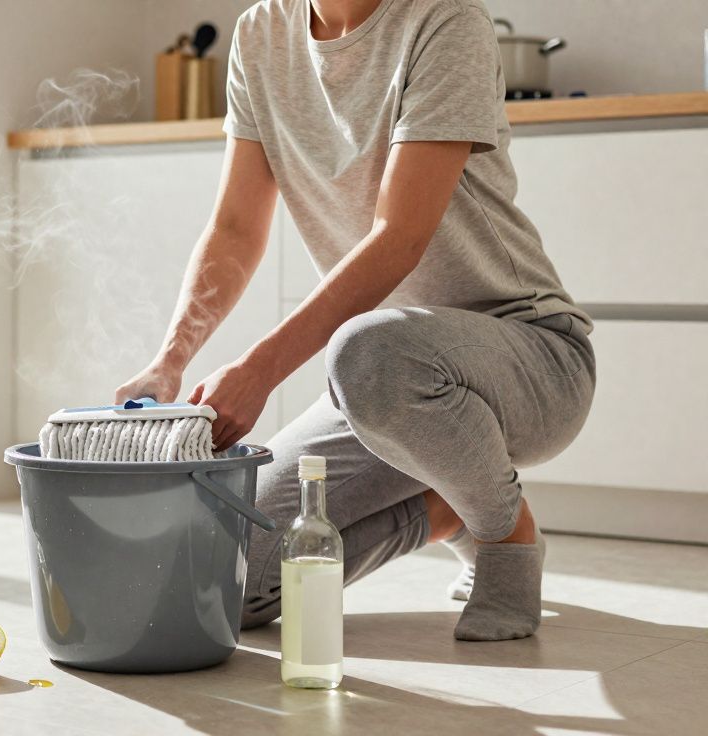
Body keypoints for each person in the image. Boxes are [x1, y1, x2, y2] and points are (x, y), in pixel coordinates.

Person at [115, 0, 595, 641]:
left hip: (531, 359)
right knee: (226, 578)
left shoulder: (445, 22)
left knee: (366, 351)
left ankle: (506, 535)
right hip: (386, 383)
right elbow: (234, 229)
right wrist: (169, 360)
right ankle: (449, 505)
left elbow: (399, 238)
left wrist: (259, 370)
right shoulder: (262, 33)